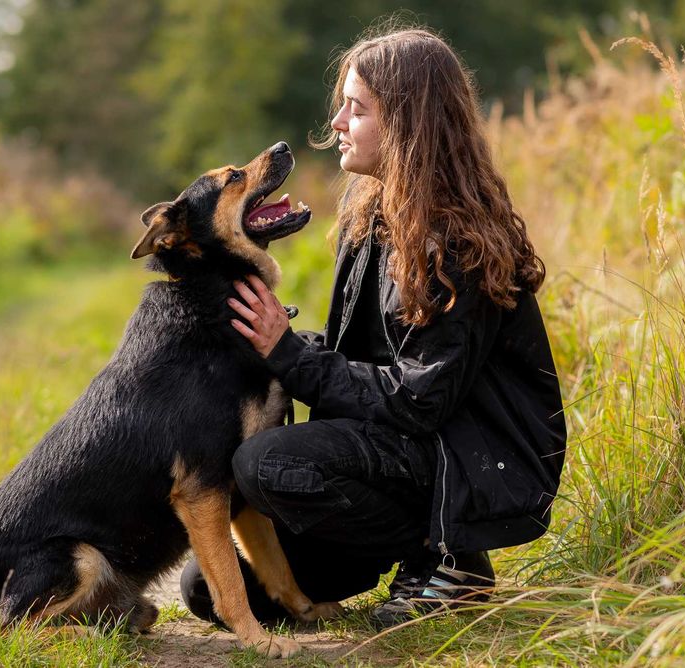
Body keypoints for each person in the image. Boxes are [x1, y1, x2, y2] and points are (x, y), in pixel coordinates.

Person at [179, 27, 567, 626]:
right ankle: (393, 553)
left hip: (454, 465)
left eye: (356, 109)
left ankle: (449, 556)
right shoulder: (373, 214)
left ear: (409, 124)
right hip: (394, 455)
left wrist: (290, 356)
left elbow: (419, 400)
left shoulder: (455, 241)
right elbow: (359, 359)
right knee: (205, 586)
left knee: (266, 464)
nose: (336, 121)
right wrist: (268, 348)